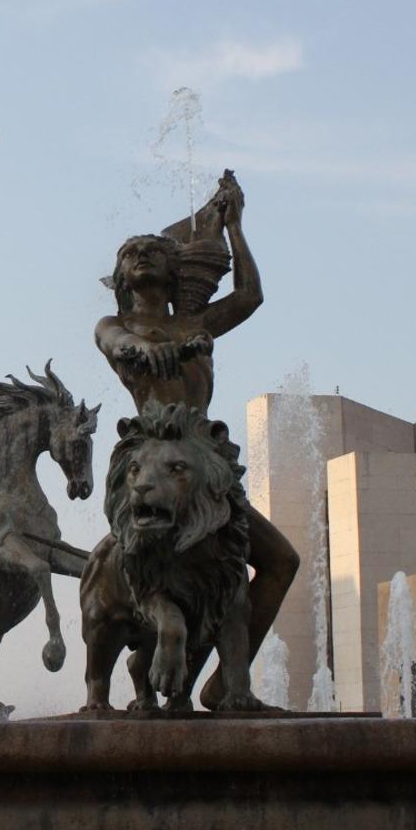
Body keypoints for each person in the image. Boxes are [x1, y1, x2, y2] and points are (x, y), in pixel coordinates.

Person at [95, 172, 299, 708]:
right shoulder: (115, 322)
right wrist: (141, 350)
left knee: (280, 561)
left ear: (172, 267)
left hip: (205, 460)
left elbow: (251, 295)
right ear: (121, 274)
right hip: (155, 456)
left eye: (151, 250)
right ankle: (159, 636)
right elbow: (115, 344)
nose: (141, 255)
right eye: (131, 252)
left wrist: (235, 227)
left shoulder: (196, 321)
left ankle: (226, 682)